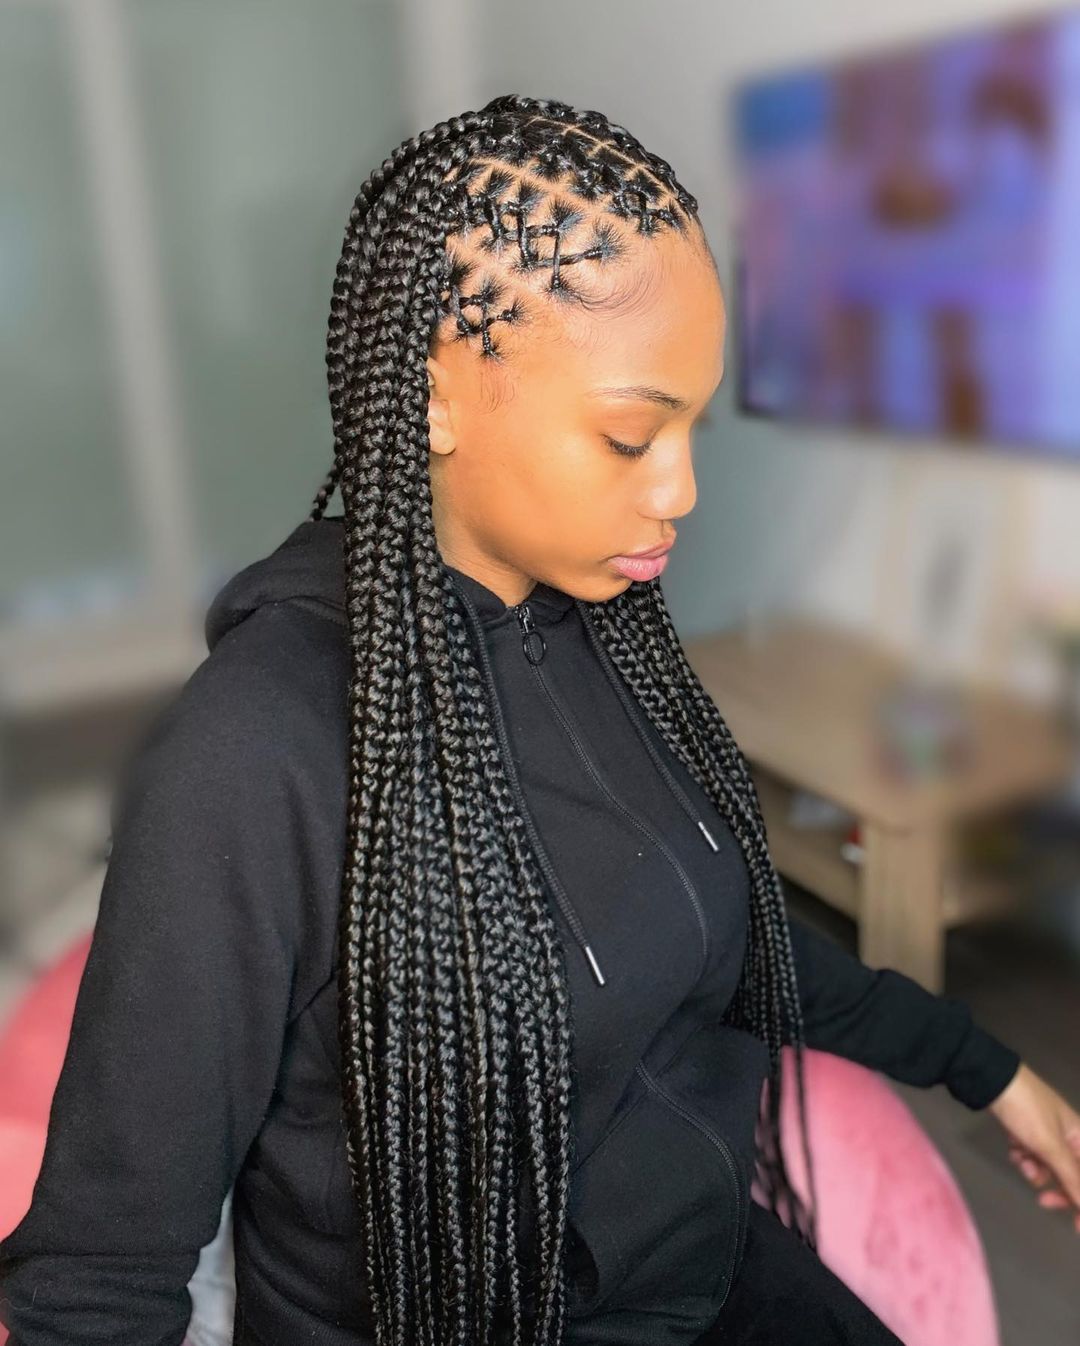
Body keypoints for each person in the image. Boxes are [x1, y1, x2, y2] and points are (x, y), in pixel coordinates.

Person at [2, 93, 1078, 1346]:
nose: (680, 488)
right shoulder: (253, 753)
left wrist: (983, 1064)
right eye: (630, 434)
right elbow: (94, 1279)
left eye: (691, 426)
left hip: (695, 1271)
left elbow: (727, 930)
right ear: (438, 395)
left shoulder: (611, 634)